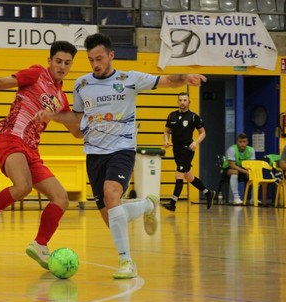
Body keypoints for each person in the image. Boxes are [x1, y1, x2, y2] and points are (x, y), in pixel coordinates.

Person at [35, 33, 207, 279]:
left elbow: (166, 80)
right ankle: (148, 204)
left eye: (100, 58)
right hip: (94, 154)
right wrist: (52, 116)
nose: (96, 64)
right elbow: (77, 120)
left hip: (122, 149)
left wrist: (185, 77)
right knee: (111, 216)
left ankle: (126, 262)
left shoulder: (130, 79)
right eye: (91, 59)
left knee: (111, 194)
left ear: (111, 55)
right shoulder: (82, 84)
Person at [0, 41, 78, 271]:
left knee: (61, 198)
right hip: (10, 138)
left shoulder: (62, 99)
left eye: (67, 63)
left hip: (32, 150)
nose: (62, 66)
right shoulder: (36, 74)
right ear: (49, 61)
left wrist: (97, 122)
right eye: (58, 61)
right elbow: (6, 82)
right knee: (22, 186)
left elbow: (76, 131)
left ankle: (40, 244)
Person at [163, 93, 216, 212]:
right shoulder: (172, 116)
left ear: (189, 102)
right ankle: (208, 193)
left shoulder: (193, 117)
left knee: (179, 175)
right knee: (189, 176)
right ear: (177, 102)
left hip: (187, 149)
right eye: (180, 100)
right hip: (176, 149)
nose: (182, 102)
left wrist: (196, 143)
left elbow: (203, 133)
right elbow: (166, 131)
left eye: (185, 100)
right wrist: (166, 141)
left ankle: (173, 203)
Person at [224, 133, 256, 205]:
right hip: (228, 169)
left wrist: (249, 172)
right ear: (237, 142)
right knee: (234, 172)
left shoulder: (251, 150)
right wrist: (245, 172)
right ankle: (236, 198)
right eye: (240, 142)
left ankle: (253, 199)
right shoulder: (232, 149)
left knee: (255, 175)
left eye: (244, 142)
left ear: (247, 142)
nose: (242, 144)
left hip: (243, 170)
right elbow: (232, 166)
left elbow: (251, 165)